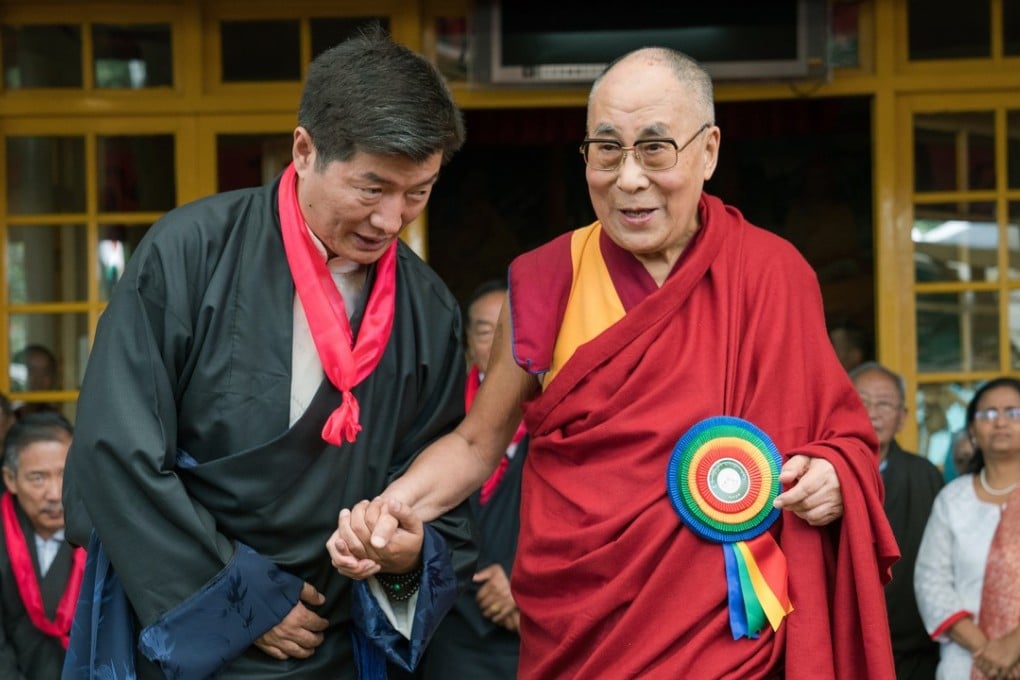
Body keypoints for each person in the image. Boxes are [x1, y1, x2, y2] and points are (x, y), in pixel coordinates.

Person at [329, 47, 899, 679]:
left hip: (734, 639)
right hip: (585, 630)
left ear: (708, 151)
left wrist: (831, 478)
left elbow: (842, 438)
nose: (628, 178)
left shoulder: (772, 274)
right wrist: (390, 505)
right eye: (606, 149)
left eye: (655, 149)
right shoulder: (546, 281)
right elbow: (475, 443)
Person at [60, 27, 477, 680]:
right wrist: (246, 604)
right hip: (188, 627)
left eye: (417, 193)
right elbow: (118, 449)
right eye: (372, 189)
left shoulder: (428, 310)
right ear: (305, 150)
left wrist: (402, 557)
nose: (392, 220)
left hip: (337, 637)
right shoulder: (191, 253)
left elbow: (439, 495)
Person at [412, 280, 526, 680]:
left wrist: (523, 580)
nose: (499, 343)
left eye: (510, 330)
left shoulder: (563, 423)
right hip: (452, 634)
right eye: (485, 331)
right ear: (467, 345)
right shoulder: (434, 422)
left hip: (528, 631)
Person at [915, 377, 1020, 680]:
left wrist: (1013, 646)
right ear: (972, 430)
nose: (999, 422)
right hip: (967, 660)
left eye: (1012, 413)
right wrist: (988, 651)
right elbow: (931, 583)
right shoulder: (953, 499)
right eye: (988, 414)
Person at [851, 361, 943, 679]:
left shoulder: (924, 475)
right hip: (845, 638)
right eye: (861, 401)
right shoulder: (822, 473)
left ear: (903, 417)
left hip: (911, 648)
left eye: (884, 404)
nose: (872, 412)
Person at [0, 412, 82, 679]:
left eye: (65, 474)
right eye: (38, 478)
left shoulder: (104, 533)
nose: (55, 493)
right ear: (11, 479)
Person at [10, 345, 60, 419]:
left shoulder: (55, 418)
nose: (38, 379)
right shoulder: (6, 414)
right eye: (31, 371)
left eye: (45, 372)